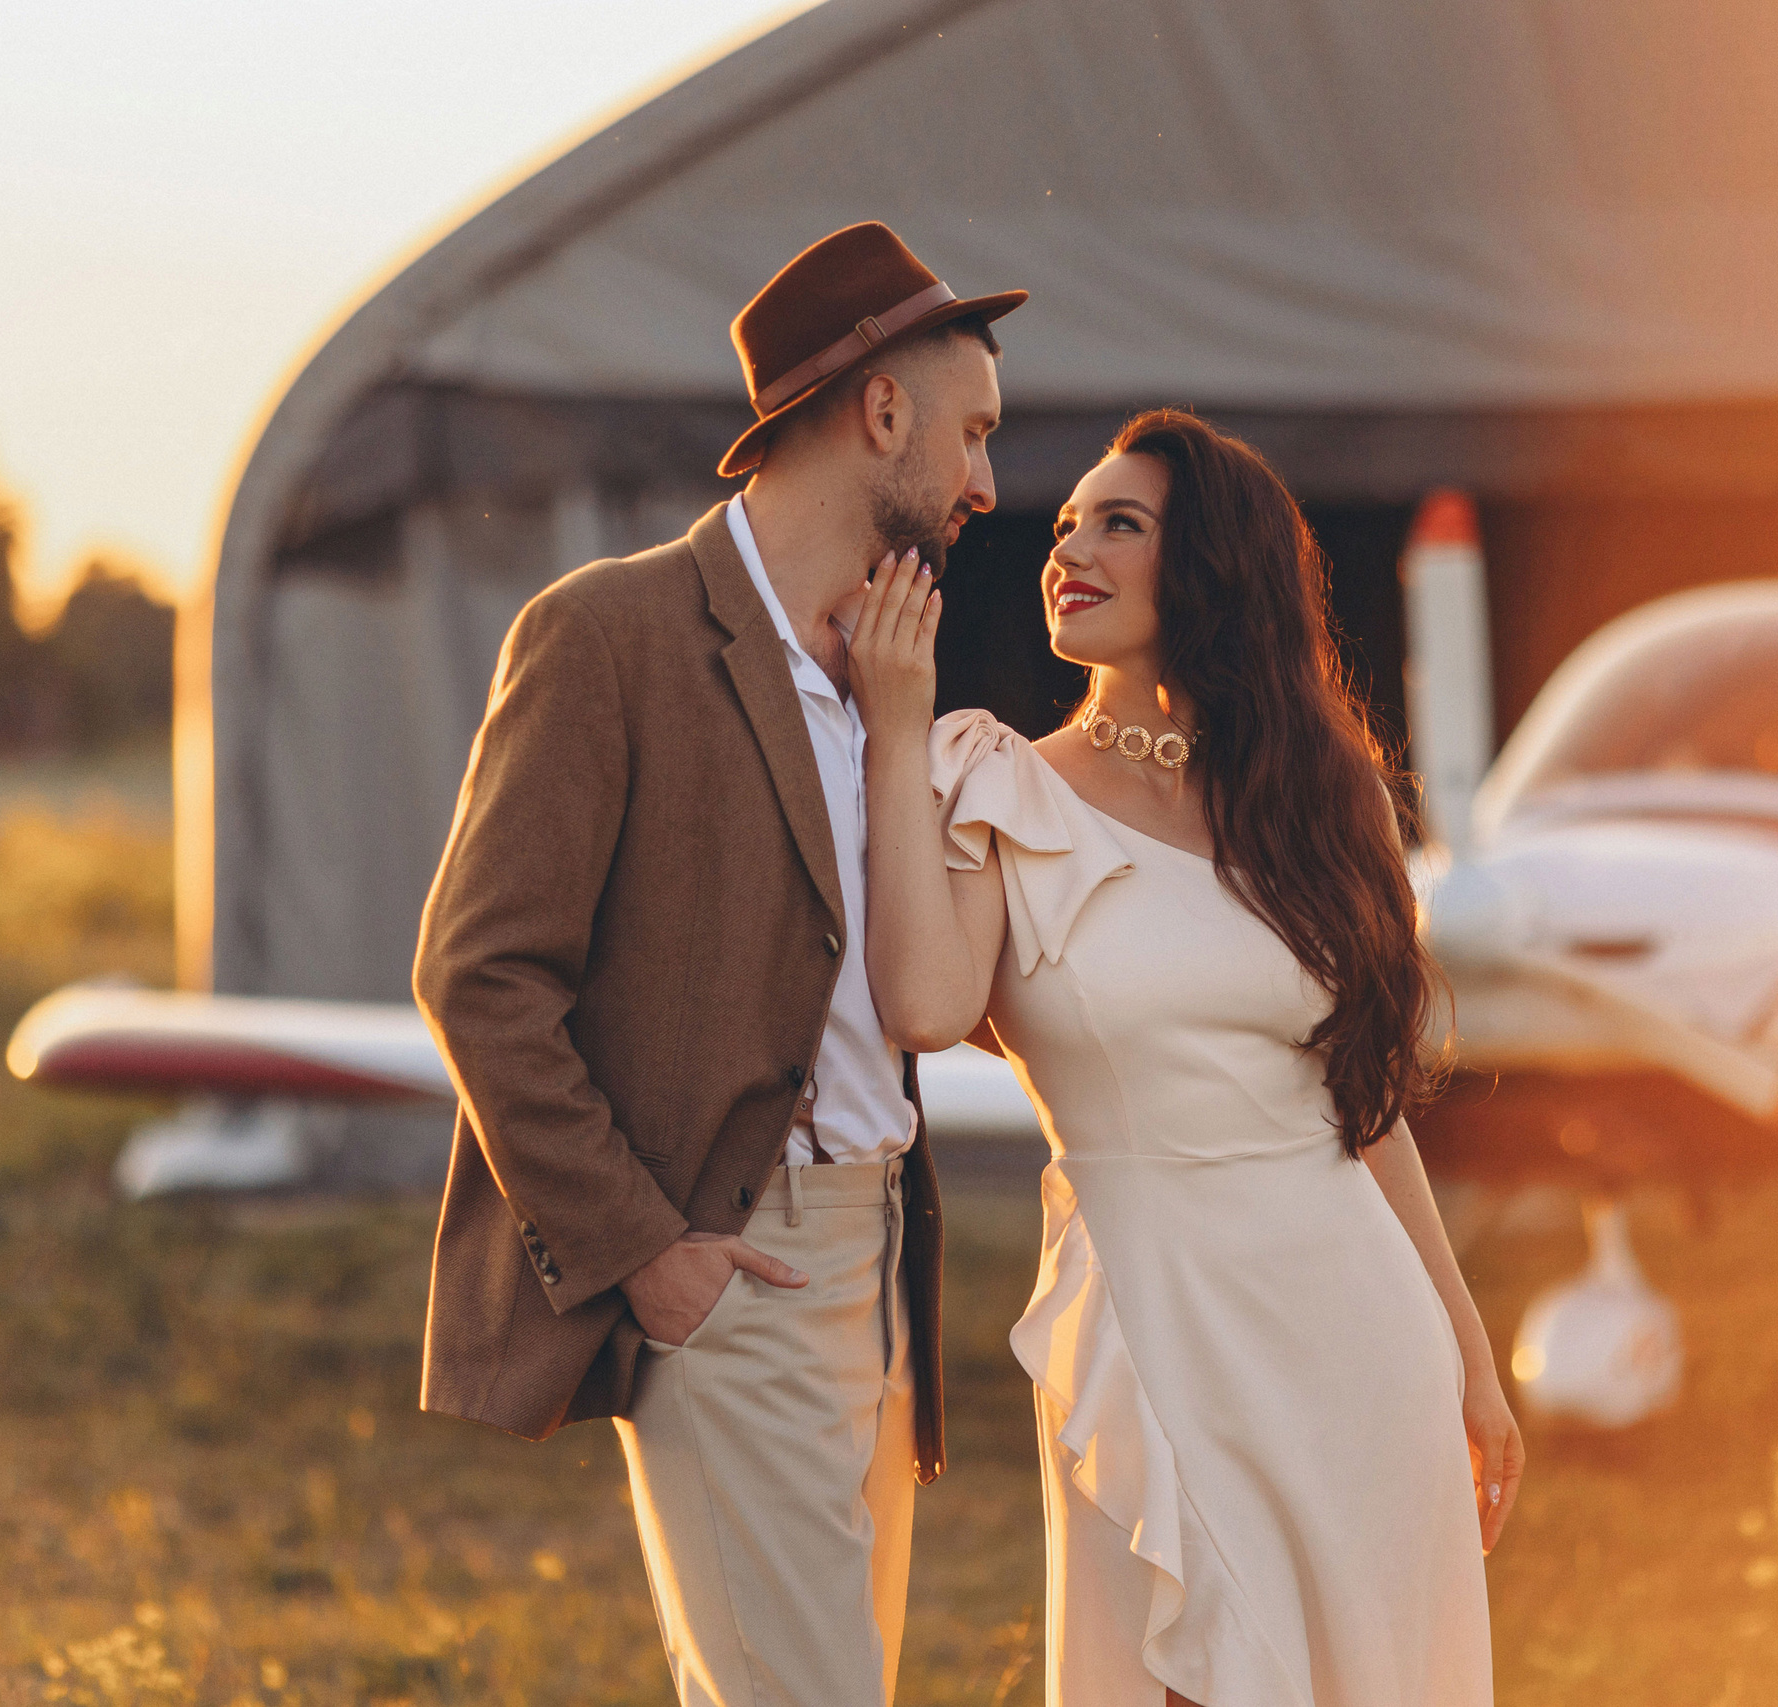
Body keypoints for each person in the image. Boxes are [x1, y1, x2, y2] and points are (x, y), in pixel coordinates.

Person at [412, 221, 1025, 1707]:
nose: (989, 487)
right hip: (733, 1260)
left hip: (884, 1259)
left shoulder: (890, 671)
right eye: (973, 435)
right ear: (882, 413)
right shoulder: (606, 634)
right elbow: (479, 974)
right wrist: (646, 1251)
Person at [847, 409, 1518, 1706]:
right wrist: (892, 732)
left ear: (1212, 566)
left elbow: (1364, 1107)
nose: (1069, 548)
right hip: (1154, 1320)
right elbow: (926, 1007)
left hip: (1359, 1339)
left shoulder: (1330, 802)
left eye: (1120, 523)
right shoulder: (997, 785)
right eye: (1063, 525)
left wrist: (1468, 1355)